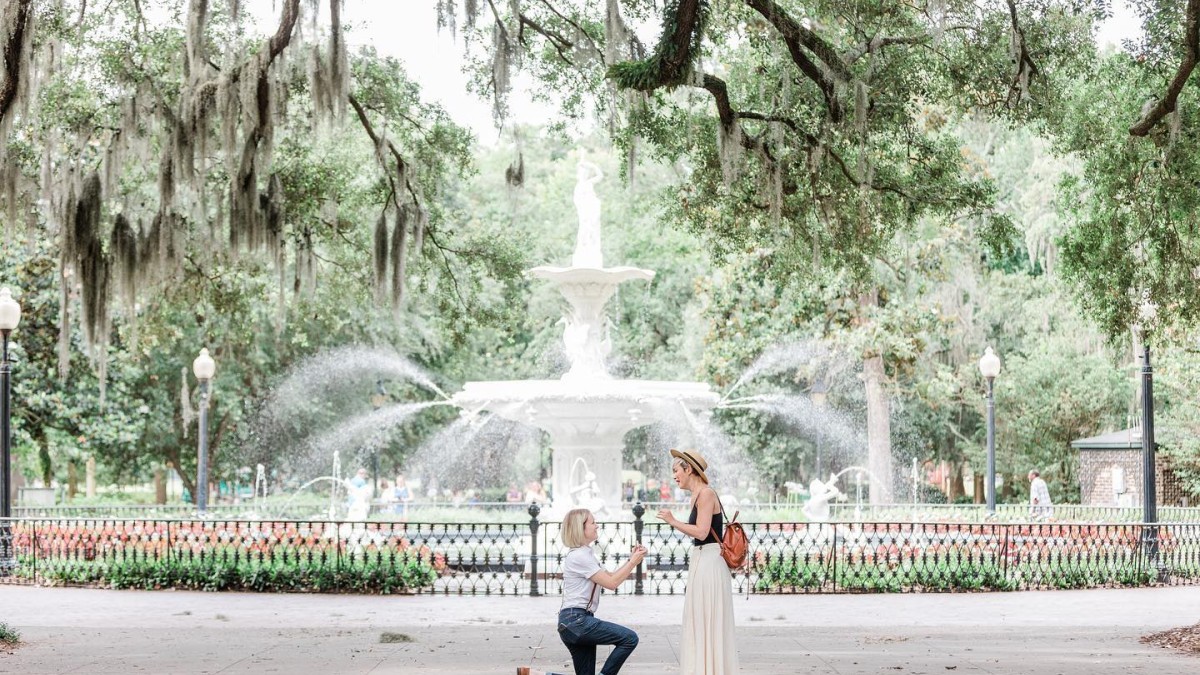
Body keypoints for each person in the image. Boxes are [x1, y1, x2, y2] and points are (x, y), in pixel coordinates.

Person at [657, 449, 738, 675]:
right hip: (701, 558)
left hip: (710, 560)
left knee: (708, 618)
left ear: (688, 469)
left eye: (676, 470)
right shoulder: (697, 495)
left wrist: (673, 521)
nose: (674, 476)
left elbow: (702, 532)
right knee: (700, 617)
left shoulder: (706, 494)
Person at [548, 508, 646, 675]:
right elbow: (612, 583)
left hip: (573, 622)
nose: (597, 526)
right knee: (629, 638)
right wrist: (632, 562)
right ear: (581, 528)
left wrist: (632, 559)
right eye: (593, 523)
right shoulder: (580, 556)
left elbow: (611, 576)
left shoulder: (585, 554)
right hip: (576, 621)